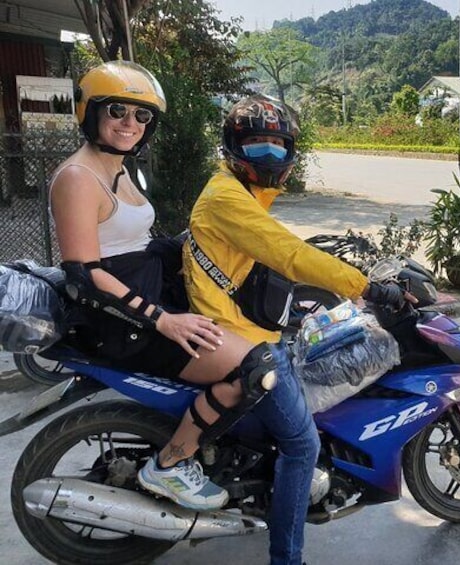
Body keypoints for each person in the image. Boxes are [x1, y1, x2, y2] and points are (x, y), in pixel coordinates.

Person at [182, 94, 409, 565]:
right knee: (302, 444)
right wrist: (366, 287)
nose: (269, 157)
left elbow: (278, 247)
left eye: (278, 148)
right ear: (233, 148)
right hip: (236, 334)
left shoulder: (238, 194)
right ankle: (288, 558)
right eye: (257, 146)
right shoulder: (227, 197)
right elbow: (290, 254)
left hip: (242, 324)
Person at [50, 61, 277, 512]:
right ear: (90, 112)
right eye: (117, 111)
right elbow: (85, 273)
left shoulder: (117, 167)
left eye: (142, 116)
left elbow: (136, 241)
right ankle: (171, 464)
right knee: (253, 369)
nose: (129, 124)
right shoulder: (78, 178)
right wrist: (164, 321)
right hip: (120, 320)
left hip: (150, 298)